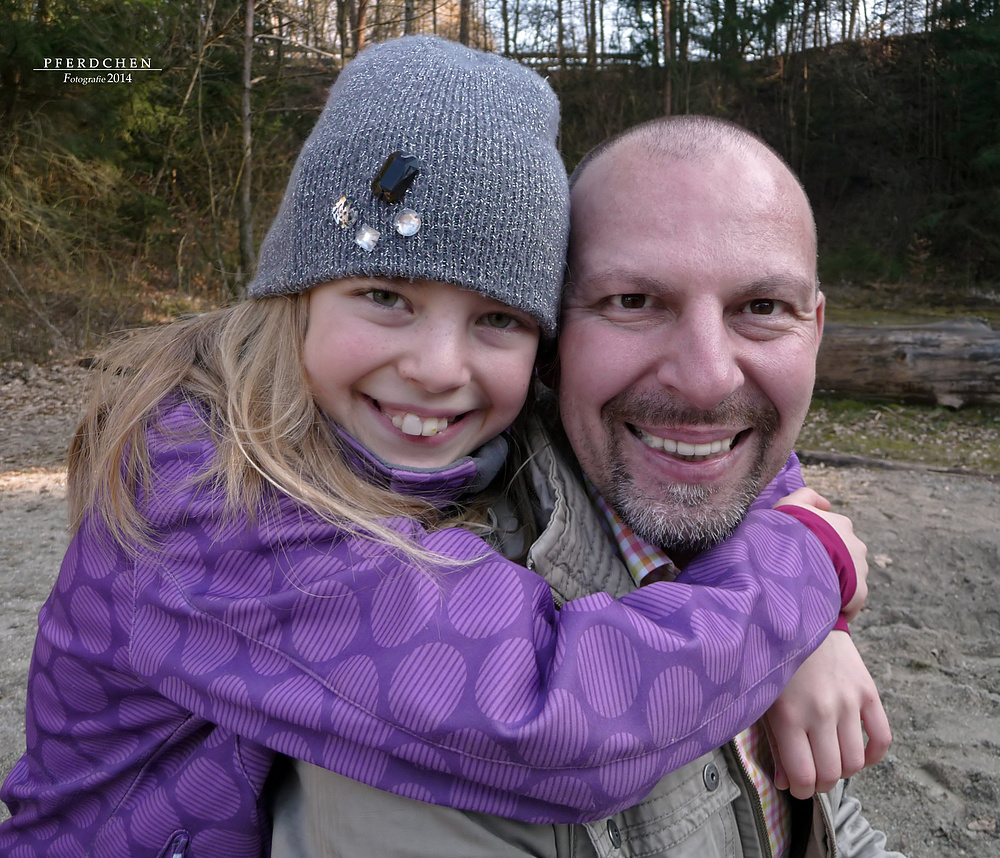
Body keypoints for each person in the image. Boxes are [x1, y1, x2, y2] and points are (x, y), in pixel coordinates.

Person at [1, 39, 861, 857]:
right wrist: (806, 568)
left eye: (497, 318)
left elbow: (694, 431)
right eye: (385, 295)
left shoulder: (438, 409)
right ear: (295, 293)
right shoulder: (209, 491)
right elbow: (554, 715)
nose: (439, 368)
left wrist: (797, 566)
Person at [269, 115, 902, 857]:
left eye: (762, 308)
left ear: (815, 330)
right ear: (551, 337)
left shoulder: (761, 537)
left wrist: (812, 614)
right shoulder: (425, 646)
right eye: (632, 302)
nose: (706, 381)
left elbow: (838, 834)